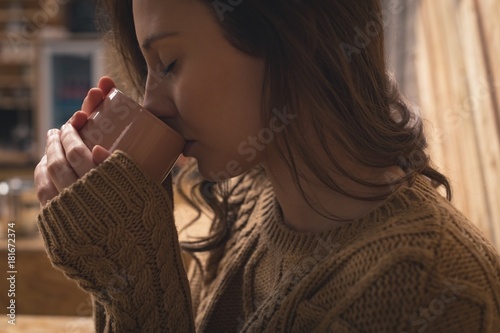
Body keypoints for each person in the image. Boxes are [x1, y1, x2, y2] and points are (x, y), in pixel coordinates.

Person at [34, 0, 500, 332]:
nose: (152, 102)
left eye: (170, 62)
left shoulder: (431, 287)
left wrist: (131, 268)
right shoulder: (244, 203)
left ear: (292, 31)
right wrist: (120, 245)